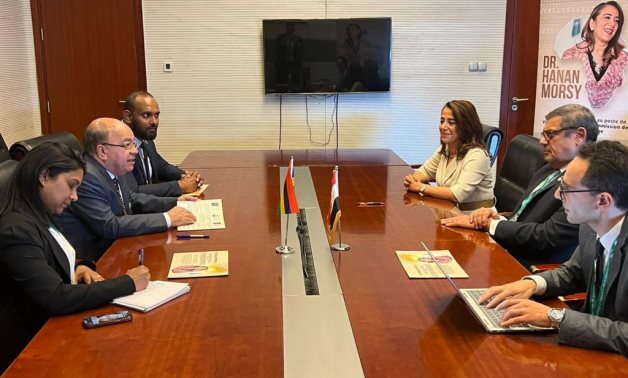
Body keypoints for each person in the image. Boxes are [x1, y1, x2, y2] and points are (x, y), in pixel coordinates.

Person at [0, 142, 150, 373]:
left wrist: (79, 267)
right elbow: (55, 297)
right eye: (71, 186)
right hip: (31, 350)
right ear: (44, 176)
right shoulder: (16, 229)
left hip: (55, 329)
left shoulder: (39, 214)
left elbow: (51, 258)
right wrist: (127, 283)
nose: (74, 196)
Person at [479, 141, 628, 356]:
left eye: (566, 189)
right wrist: (534, 284)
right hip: (590, 350)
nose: (558, 195)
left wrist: (556, 318)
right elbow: (572, 272)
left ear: (603, 200)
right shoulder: (590, 225)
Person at [441, 104, 600, 268]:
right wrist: (495, 217)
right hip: (506, 250)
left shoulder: (587, 183)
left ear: (579, 136)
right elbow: (522, 217)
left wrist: (492, 225)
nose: (542, 141)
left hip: (531, 268)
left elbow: (547, 237)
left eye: (550, 134)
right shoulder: (547, 169)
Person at [57, 118, 197, 261]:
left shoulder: (113, 168)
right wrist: (167, 219)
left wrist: (175, 202)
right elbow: (109, 226)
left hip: (121, 248)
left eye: (134, 145)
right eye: (127, 145)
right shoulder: (87, 177)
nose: (135, 151)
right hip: (98, 261)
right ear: (102, 151)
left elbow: (132, 199)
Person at [403, 100, 495, 212]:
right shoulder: (446, 149)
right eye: (442, 121)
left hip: (474, 217)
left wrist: (420, 187)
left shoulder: (477, 155)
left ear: (465, 126)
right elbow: (425, 171)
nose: (443, 127)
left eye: (451, 122)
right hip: (448, 210)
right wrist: (413, 180)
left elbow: (457, 194)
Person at [122, 91, 203, 197]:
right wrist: (181, 186)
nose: (154, 122)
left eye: (156, 115)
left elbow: (161, 167)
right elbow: (133, 191)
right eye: (146, 115)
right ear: (128, 117)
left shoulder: (145, 139)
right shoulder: (117, 145)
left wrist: (187, 176)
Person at [562, 1, 628, 108]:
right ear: (592, 24)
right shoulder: (572, 54)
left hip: (612, 121)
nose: (612, 24)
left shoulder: (624, 59)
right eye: (607, 17)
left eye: (617, 21)